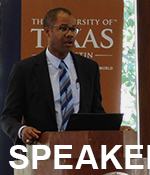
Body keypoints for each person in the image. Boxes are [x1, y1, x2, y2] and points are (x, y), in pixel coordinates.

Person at [0, 7, 108, 145]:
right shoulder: (25, 69)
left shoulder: (89, 68)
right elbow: (8, 118)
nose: (70, 34)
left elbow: (96, 113)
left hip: (81, 152)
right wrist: (22, 130)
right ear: (47, 32)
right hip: (41, 152)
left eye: (73, 29)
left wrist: (116, 129)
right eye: (63, 29)